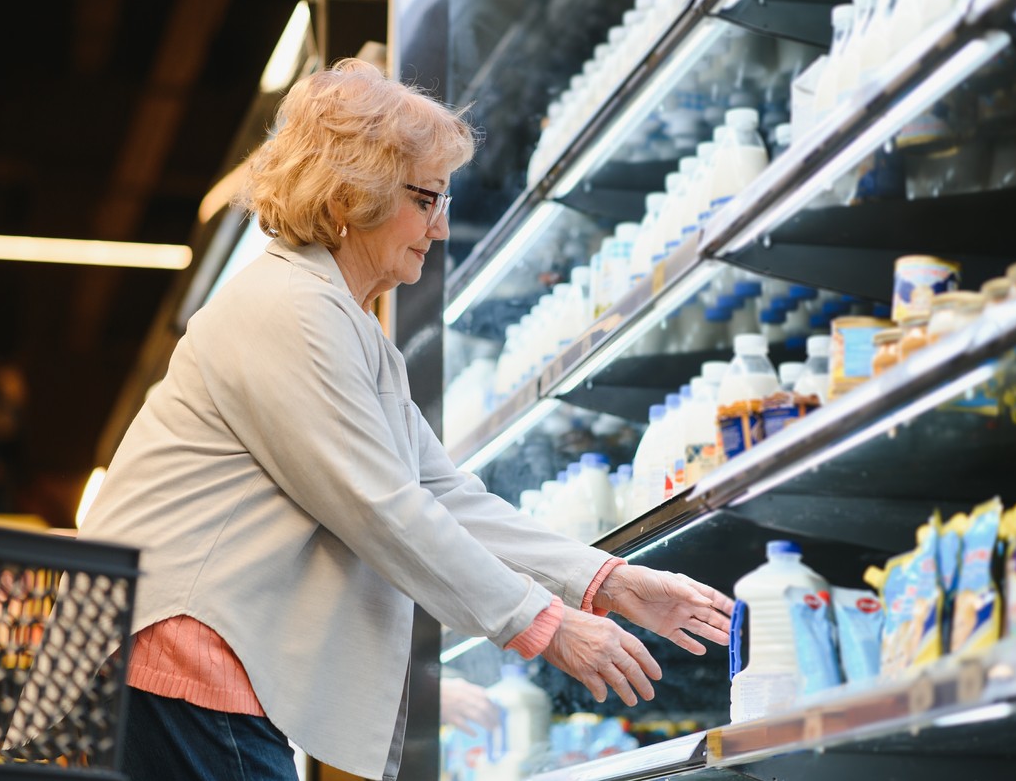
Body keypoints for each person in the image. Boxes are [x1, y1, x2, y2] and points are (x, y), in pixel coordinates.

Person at [75, 58, 734, 781]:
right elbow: (379, 506)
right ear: (350, 196)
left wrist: (605, 581)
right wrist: (543, 625)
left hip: (207, 666)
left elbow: (443, 494)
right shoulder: (290, 313)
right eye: (426, 200)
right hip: (182, 656)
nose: (442, 227)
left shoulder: (344, 324)